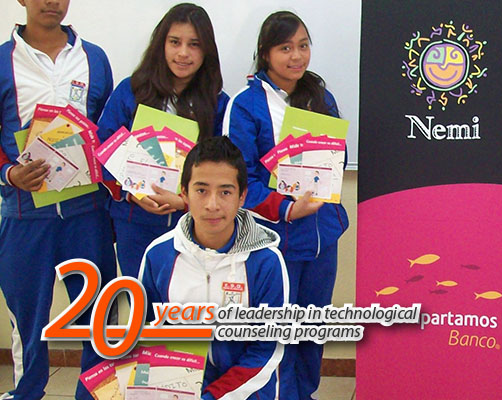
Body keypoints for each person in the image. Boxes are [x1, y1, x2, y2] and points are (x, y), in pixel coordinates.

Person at [223, 11, 349, 399]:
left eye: (303, 46)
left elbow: (338, 156)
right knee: (276, 334)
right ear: (265, 53)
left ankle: (304, 393)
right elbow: (238, 179)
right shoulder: (245, 105)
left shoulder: (320, 96)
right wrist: (286, 209)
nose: (297, 56)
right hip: (275, 242)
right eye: (285, 48)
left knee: (311, 331)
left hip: (321, 239)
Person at [0, 0, 117, 398]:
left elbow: (108, 131)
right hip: (24, 215)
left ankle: (95, 393)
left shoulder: (94, 58)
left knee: (97, 316)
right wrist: (10, 173)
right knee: (28, 320)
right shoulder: (2, 61)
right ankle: (26, 392)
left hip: (87, 213)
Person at [139, 136, 290, 399]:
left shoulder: (266, 262)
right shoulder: (158, 255)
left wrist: (212, 397)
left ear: (242, 196)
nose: (212, 204)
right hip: (180, 388)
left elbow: (266, 350)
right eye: (201, 190)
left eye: (225, 192)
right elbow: (148, 333)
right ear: (184, 193)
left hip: (247, 392)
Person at [97, 3, 228, 279]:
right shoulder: (131, 91)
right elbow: (104, 150)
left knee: (187, 301)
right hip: (134, 222)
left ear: (207, 50)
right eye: (175, 42)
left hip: (192, 225)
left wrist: (185, 202)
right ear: (161, 44)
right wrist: (132, 193)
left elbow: (223, 169)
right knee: (142, 297)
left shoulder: (218, 103)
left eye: (194, 44)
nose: (183, 53)